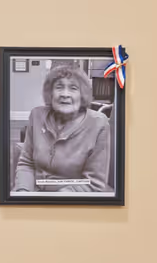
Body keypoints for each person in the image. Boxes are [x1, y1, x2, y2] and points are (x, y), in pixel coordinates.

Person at [12, 62, 113, 193]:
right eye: (59, 87)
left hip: (72, 199)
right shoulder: (37, 115)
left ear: (82, 95)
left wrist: (55, 200)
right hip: (33, 193)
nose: (65, 94)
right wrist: (23, 191)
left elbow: (94, 183)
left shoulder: (98, 123)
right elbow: (26, 163)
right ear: (50, 93)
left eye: (73, 88)